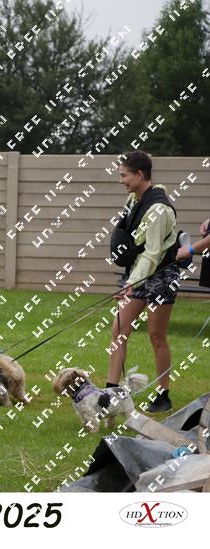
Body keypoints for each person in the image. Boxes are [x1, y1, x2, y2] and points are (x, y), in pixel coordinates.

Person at [108, 150, 179, 412]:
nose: (121, 180)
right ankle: (111, 392)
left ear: (139, 174)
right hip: (139, 272)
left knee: (156, 335)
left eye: (124, 175)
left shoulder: (158, 209)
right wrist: (132, 279)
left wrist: (130, 284)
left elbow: (153, 253)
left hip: (161, 274)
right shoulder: (134, 199)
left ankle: (163, 395)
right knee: (119, 330)